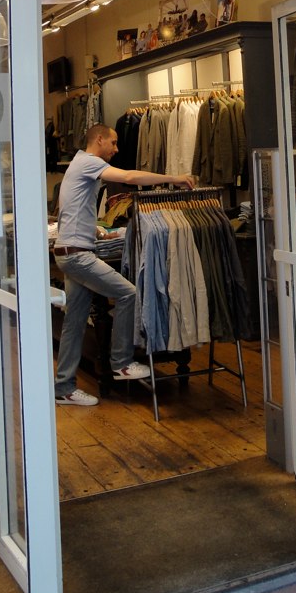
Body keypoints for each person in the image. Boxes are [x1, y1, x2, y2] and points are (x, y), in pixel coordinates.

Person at [53, 123, 195, 405]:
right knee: (128, 293)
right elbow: (129, 176)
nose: (116, 149)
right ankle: (122, 362)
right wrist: (174, 178)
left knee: (75, 322)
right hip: (78, 255)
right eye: (114, 142)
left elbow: (70, 207)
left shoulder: (77, 163)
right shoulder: (90, 162)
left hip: (69, 250)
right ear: (100, 139)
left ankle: (63, 388)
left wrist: (93, 229)